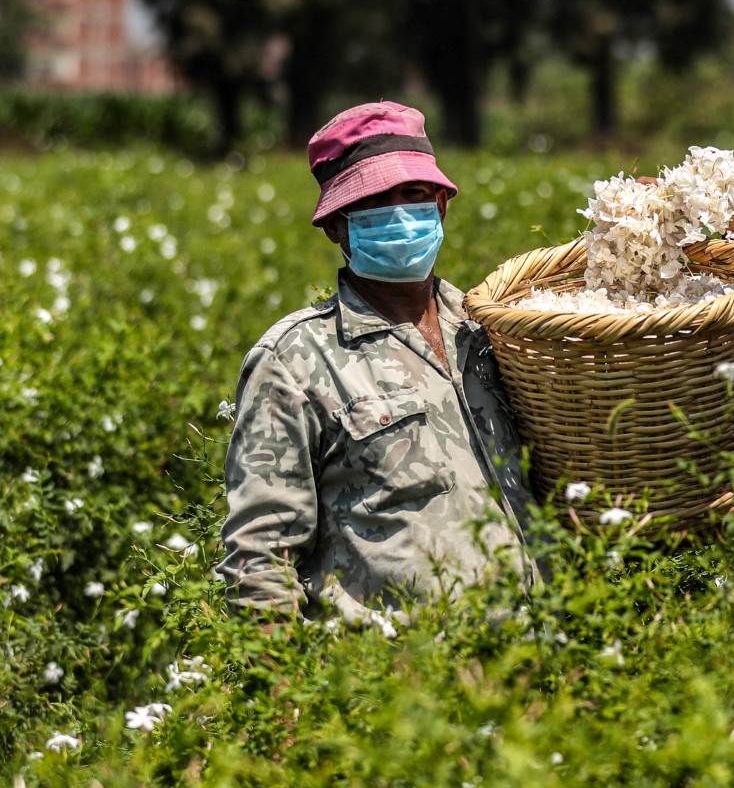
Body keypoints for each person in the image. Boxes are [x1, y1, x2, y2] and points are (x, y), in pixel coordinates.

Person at [216, 101, 535, 623]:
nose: (400, 214)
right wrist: (278, 693)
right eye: (375, 201)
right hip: (398, 687)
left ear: (442, 206)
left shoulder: (491, 332)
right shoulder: (296, 361)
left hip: (539, 674)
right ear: (336, 228)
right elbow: (261, 557)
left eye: (414, 195)